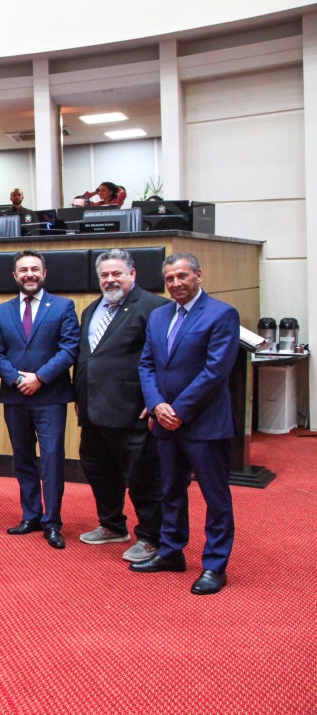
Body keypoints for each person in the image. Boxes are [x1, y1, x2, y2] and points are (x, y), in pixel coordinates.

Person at [134, 252, 239, 595]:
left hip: (204, 423)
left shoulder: (222, 314)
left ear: (198, 276)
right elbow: (147, 365)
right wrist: (156, 405)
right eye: (170, 279)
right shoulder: (159, 315)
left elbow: (215, 371)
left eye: (182, 276)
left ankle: (215, 566)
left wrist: (177, 410)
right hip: (165, 420)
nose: (176, 283)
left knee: (215, 496)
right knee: (171, 491)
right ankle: (171, 551)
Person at [73, 249, 169, 563]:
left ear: (133, 274)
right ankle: (112, 525)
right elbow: (88, 357)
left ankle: (152, 537)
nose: (110, 280)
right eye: (104, 275)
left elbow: (166, 360)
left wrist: (156, 400)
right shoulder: (91, 310)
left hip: (132, 410)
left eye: (117, 273)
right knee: (98, 471)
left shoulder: (155, 307)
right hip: (92, 410)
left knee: (143, 479)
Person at [0, 250, 79, 550]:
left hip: (50, 395)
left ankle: (52, 521)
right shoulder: (2, 311)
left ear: (44, 272)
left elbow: (69, 349)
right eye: (23, 270)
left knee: (52, 458)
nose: (29, 274)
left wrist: (39, 378)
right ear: (14, 275)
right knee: (23, 458)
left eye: (35, 269)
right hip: (15, 396)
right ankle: (31, 515)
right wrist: (17, 379)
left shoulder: (63, 306)